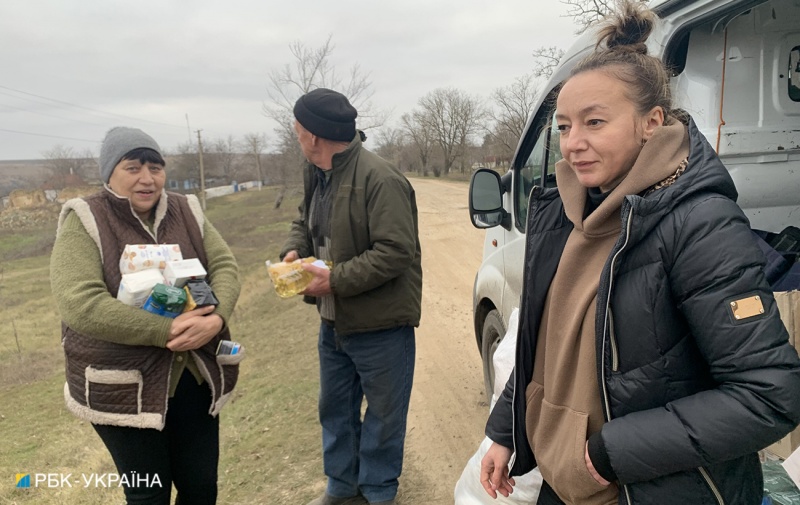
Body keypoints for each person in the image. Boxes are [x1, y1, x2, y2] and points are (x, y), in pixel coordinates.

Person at [479, 2, 800, 504]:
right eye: (563, 127)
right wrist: (506, 430)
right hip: (565, 484)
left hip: (649, 487)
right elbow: (543, 344)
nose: (573, 144)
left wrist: (612, 451)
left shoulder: (699, 223)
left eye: (595, 122)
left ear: (652, 122)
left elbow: (769, 395)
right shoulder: (564, 212)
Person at [50, 126, 241, 505]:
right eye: (133, 167)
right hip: (121, 384)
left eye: (155, 168)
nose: (147, 178)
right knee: (148, 495)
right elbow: (80, 302)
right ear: (110, 173)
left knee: (201, 488)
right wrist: (165, 328)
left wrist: (216, 319)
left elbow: (225, 266)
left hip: (191, 375)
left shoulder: (186, 210)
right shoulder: (86, 219)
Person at [280, 88, 422, 505]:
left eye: (297, 129)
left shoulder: (381, 179)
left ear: (313, 136)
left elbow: (397, 252)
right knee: (336, 410)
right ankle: (342, 489)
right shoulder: (318, 173)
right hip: (333, 321)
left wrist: (335, 280)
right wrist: (293, 249)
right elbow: (302, 220)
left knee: (383, 416)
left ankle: (377, 492)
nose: (296, 135)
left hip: (380, 325)